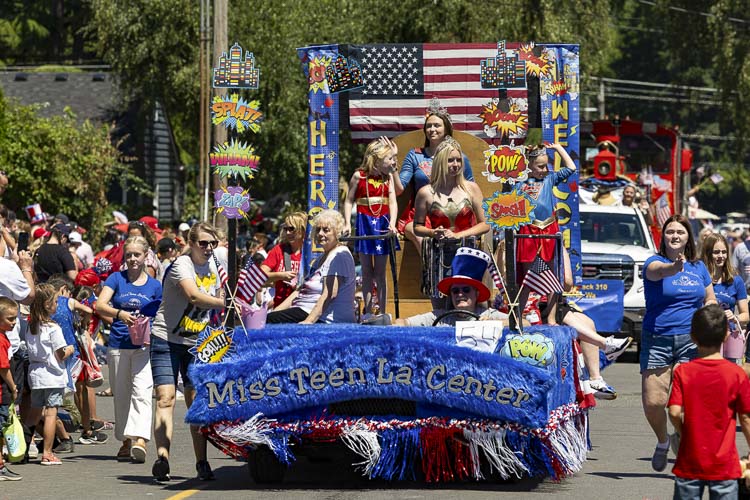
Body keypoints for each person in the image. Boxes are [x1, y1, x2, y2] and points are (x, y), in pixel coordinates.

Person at [150, 222, 226, 482]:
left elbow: (221, 292)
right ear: (191, 244)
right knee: (166, 397)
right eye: (203, 243)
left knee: (195, 403)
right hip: (165, 338)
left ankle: (201, 462)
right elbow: (193, 296)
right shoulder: (181, 265)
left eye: (212, 243)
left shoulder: (216, 265)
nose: (208, 248)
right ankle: (162, 459)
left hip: (196, 342)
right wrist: (224, 303)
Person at [641, 214, 716, 472]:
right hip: (657, 338)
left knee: (685, 404)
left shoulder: (699, 268)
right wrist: (674, 268)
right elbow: (658, 273)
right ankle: (664, 442)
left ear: (687, 237)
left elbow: (710, 299)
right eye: (670, 231)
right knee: (654, 402)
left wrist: (715, 314)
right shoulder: (654, 262)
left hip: (691, 340)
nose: (675, 236)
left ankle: (684, 447)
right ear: (663, 237)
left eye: (680, 232)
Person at [668, 304, 750, 499]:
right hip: (724, 463)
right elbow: (745, 417)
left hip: (690, 460)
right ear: (726, 336)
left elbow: (673, 412)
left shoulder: (683, 371)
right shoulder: (736, 374)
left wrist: (683, 432)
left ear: (693, 336)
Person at [96, 236, 162, 463]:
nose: (133, 259)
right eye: (129, 255)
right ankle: (125, 441)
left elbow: (161, 312)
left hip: (144, 345)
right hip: (118, 344)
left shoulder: (155, 285)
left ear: (146, 256)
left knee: (143, 391)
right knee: (121, 394)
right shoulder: (116, 279)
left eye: (137, 254)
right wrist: (119, 314)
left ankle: (140, 440)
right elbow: (100, 305)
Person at [413, 136, 489, 303]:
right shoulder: (425, 192)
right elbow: (417, 227)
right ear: (440, 162)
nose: (455, 164)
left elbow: (485, 224)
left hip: (467, 254)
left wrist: (458, 235)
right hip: (438, 257)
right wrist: (433, 232)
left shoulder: (471, 188)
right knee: (440, 308)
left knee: (466, 304)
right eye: (450, 160)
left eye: (458, 160)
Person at [393, 100, 474, 256]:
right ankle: (431, 271)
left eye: (437, 125)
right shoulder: (415, 155)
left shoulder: (459, 158)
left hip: (454, 214)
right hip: (421, 215)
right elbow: (399, 189)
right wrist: (392, 167)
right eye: (428, 126)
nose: (432, 129)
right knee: (421, 238)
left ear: (446, 129)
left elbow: (471, 190)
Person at [513, 143, 576, 312]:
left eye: (546, 166)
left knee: (552, 277)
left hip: (548, 229)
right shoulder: (519, 183)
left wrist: (558, 149)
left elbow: (571, 167)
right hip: (527, 231)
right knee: (527, 278)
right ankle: (519, 315)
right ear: (529, 165)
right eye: (540, 166)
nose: (544, 170)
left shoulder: (550, 179)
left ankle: (551, 317)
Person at [267, 209, 356, 324]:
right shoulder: (320, 259)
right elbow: (299, 291)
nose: (320, 233)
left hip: (325, 319)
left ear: (337, 233)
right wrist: (274, 312)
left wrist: (308, 322)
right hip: (303, 309)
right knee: (268, 318)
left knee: (270, 320)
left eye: (326, 230)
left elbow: (329, 294)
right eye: (318, 229)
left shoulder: (339, 255)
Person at [344, 137, 399, 316]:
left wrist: (392, 222)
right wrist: (346, 222)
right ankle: (368, 311)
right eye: (389, 159)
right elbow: (349, 200)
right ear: (376, 160)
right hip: (364, 224)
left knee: (381, 273)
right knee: (366, 271)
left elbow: (393, 202)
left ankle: (382, 312)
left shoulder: (388, 177)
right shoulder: (358, 176)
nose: (392, 162)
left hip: (382, 225)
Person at [24, 283, 75, 466]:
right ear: (47, 304)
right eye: (55, 301)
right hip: (52, 374)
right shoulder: (53, 328)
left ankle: (23, 448)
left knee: (34, 412)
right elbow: (59, 353)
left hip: (36, 374)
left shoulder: (31, 326)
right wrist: (69, 349)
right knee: (51, 413)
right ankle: (47, 452)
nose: (57, 304)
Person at [395, 247, 504, 327]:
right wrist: (400, 325)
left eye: (466, 290)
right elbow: (403, 322)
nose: (460, 294)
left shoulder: (488, 315)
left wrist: (493, 323)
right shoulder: (440, 317)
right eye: (455, 291)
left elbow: (520, 322)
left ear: (477, 293)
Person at [700, 233, 749, 364]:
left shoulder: (736, 280)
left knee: (727, 380)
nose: (721, 256)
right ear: (708, 253)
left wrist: (735, 317)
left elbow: (746, 315)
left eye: (724, 252)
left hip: (729, 340)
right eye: (716, 252)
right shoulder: (699, 278)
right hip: (704, 338)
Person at [261, 211, 307, 309]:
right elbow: (260, 276)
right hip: (280, 307)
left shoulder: (310, 253)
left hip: (303, 307)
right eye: (286, 229)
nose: (288, 232)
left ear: (303, 230)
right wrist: (281, 275)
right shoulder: (278, 250)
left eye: (292, 229)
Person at [0, 297, 22, 480]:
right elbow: (3, 367)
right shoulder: (0, 339)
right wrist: (13, 386)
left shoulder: (4, 336)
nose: (14, 322)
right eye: (10, 319)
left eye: (15, 318)